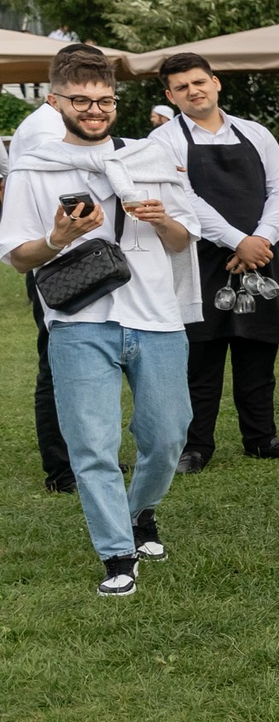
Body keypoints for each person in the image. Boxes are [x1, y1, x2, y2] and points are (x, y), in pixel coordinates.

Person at [4, 47, 206, 594]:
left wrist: (162, 220)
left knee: (167, 437)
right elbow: (19, 255)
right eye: (82, 101)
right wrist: (58, 238)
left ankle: (139, 512)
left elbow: (184, 239)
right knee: (91, 444)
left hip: (155, 315)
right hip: (78, 320)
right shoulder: (33, 166)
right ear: (56, 102)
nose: (95, 110)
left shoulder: (151, 158)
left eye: (104, 101)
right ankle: (117, 555)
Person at [153, 51, 279, 472]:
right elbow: (182, 199)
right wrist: (238, 241)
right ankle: (195, 446)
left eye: (199, 82)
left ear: (215, 82)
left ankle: (261, 437)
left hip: (263, 256)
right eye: (181, 87)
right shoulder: (163, 141)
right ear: (171, 95)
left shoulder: (255, 132)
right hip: (199, 258)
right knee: (201, 357)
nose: (193, 91)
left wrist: (260, 239)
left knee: (258, 348)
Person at [9, 93, 77, 491]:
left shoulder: (50, 123)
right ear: (58, 95)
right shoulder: (45, 129)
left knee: (74, 364)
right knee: (57, 365)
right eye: (81, 97)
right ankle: (62, 468)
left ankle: (81, 457)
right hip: (54, 262)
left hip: (65, 260)